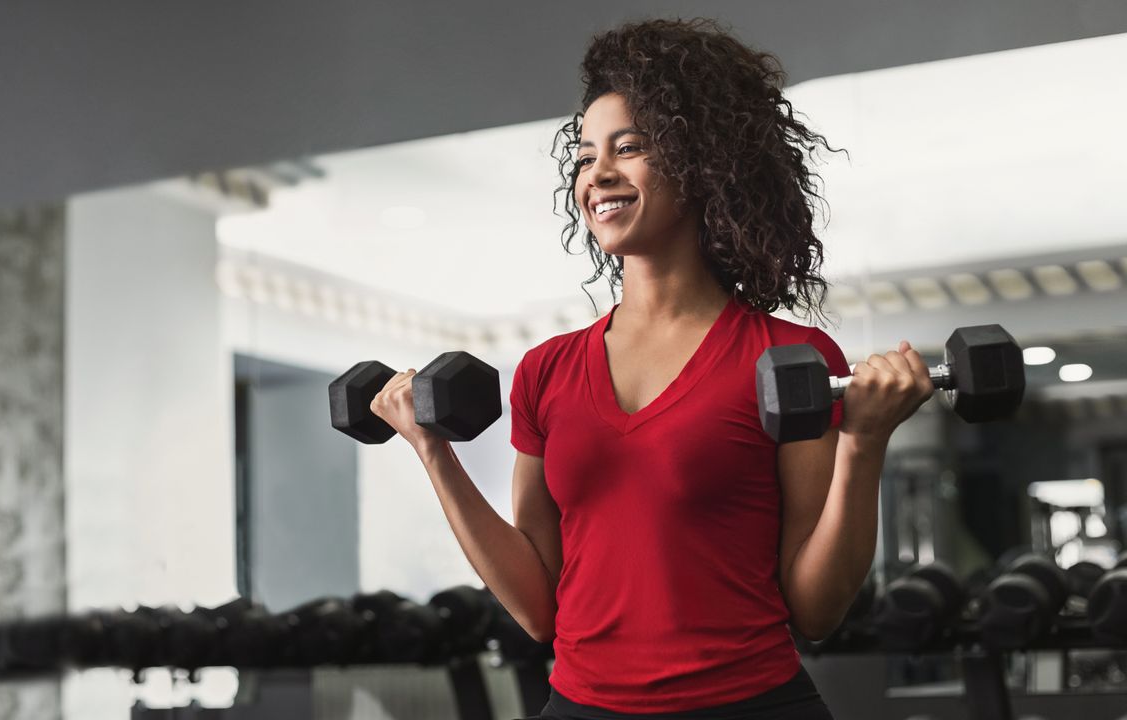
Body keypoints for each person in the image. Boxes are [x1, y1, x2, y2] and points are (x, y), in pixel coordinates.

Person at [370, 17, 934, 720]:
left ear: (703, 163)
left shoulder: (786, 360)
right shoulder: (546, 371)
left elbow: (816, 610)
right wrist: (434, 454)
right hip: (581, 707)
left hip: (749, 705)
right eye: (583, 156)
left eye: (629, 148)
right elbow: (538, 608)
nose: (597, 174)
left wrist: (864, 442)